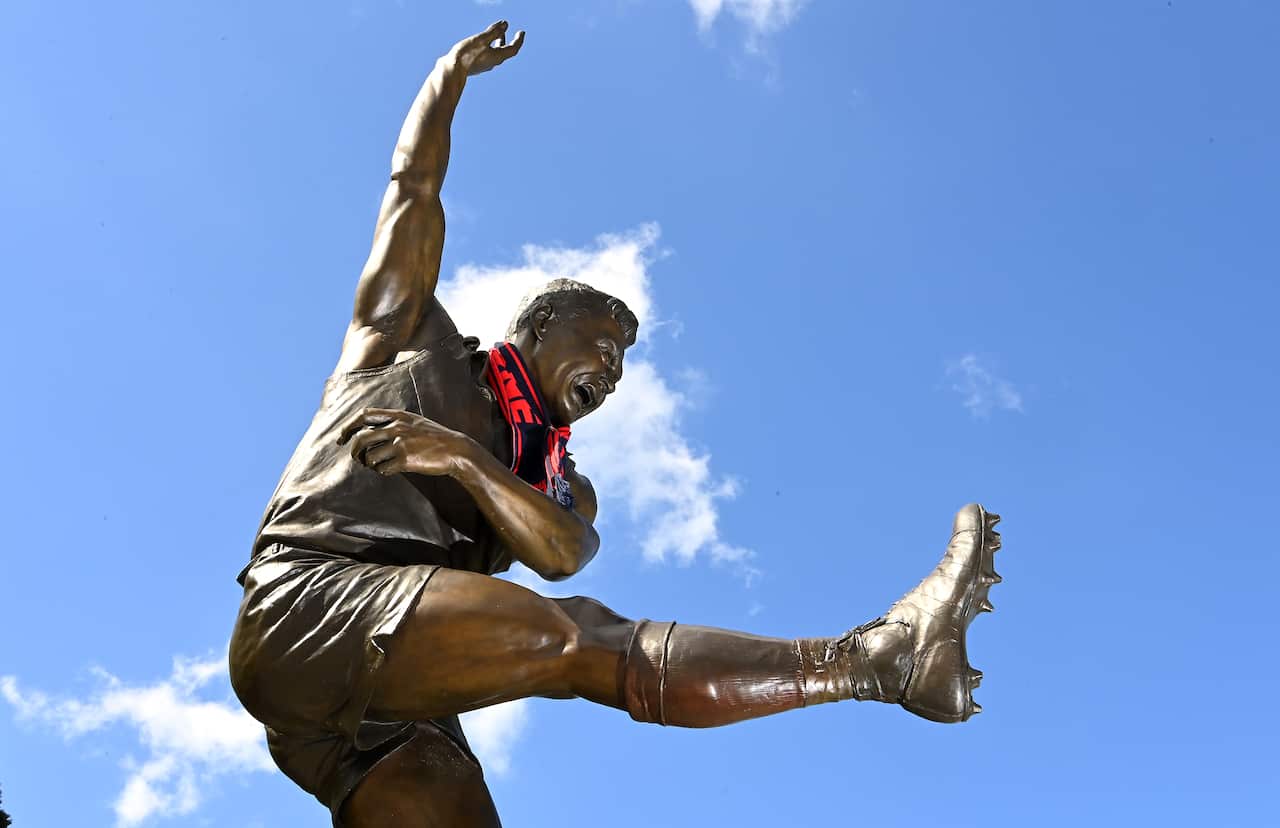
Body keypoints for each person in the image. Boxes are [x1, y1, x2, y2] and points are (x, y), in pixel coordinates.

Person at [229, 21, 1004, 828]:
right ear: (538, 325)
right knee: (573, 638)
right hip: (308, 605)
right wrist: (447, 78)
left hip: (382, 709)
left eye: (625, 362)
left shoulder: (561, 481)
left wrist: (466, 463)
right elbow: (412, 191)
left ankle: (884, 663)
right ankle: (873, 662)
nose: (613, 370)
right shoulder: (406, 343)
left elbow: (564, 554)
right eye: (599, 344)